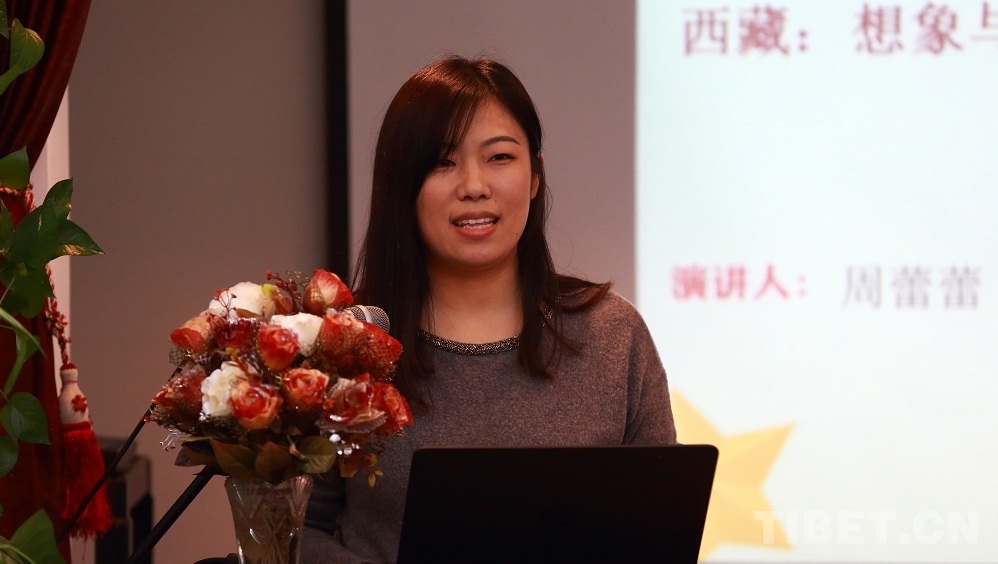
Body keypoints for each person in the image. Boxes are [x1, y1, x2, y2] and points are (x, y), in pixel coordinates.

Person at [302, 55, 676, 563]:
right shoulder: (345, 346)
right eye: (442, 162)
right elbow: (297, 530)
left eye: (499, 157)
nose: (474, 185)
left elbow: (661, 526)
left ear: (535, 175)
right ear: (401, 185)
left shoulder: (613, 335)